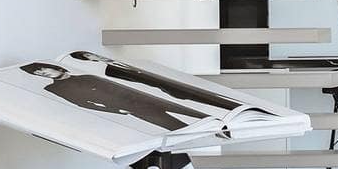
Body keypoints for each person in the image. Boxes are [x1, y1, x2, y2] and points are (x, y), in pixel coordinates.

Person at [21, 63, 208, 132]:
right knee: (178, 128)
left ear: (56, 68)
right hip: (132, 108)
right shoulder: (54, 88)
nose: (45, 74)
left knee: (199, 116)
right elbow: (81, 103)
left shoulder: (87, 76)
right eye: (40, 74)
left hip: (144, 98)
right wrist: (117, 110)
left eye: (45, 70)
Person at [68, 51, 236, 112]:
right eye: (89, 57)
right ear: (90, 60)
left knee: (201, 95)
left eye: (91, 54)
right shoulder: (110, 71)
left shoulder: (124, 61)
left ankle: (226, 105)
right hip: (162, 89)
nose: (94, 57)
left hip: (168, 82)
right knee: (193, 100)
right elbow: (135, 83)